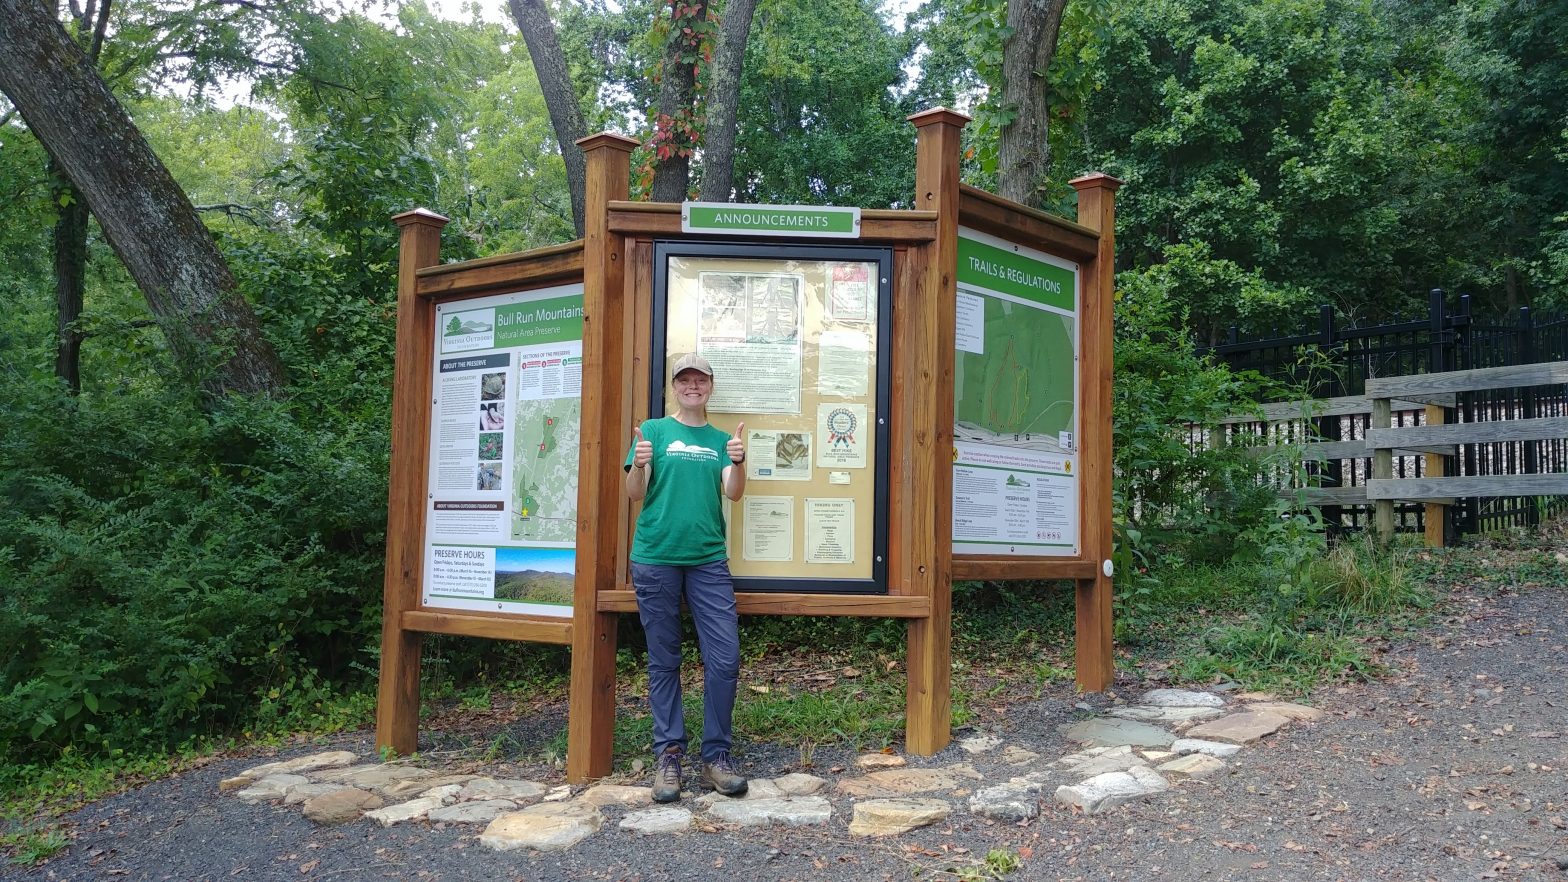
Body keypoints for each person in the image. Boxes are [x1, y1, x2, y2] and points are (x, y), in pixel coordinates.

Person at [625, 353, 748, 803]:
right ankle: (669, 755)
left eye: (700, 379)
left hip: (707, 560)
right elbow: (635, 494)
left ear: (710, 386)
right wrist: (639, 464)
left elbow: (734, 493)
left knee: (725, 658)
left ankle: (716, 756)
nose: (692, 386)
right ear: (673, 387)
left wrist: (738, 462)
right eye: (685, 379)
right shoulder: (653, 432)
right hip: (655, 557)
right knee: (663, 659)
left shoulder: (720, 439)